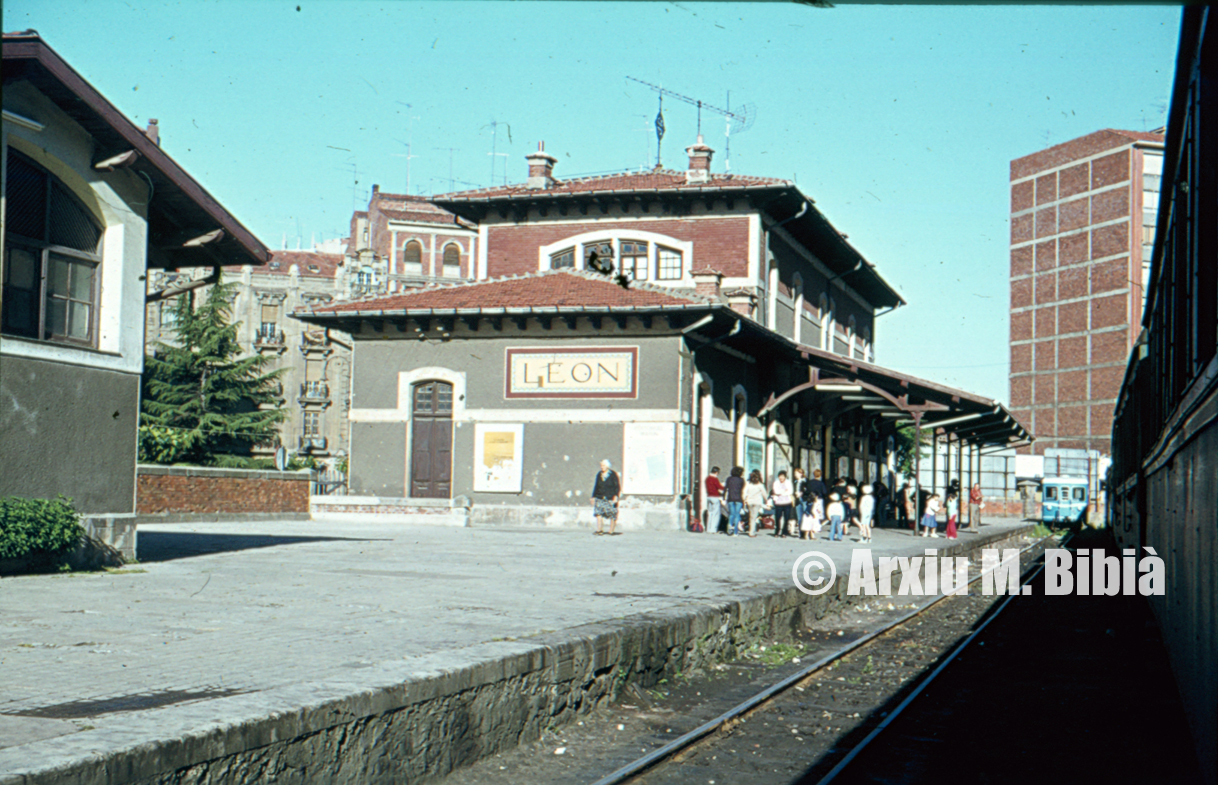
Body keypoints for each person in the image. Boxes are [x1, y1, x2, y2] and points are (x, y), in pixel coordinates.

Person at [591, 459, 621, 536]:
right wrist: (593, 496)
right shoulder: (599, 474)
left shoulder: (613, 474)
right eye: (601, 465)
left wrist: (616, 496)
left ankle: (611, 530)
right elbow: (596, 486)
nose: (602, 467)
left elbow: (617, 486)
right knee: (598, 513)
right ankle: (599, 529)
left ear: (607, 466)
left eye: (603, 465)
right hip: (600, 497)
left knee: (612, 514)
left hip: (610, 497)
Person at [743, 469, 768, 538]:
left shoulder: (748, 484)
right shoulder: (760, 485)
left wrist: (744, 500)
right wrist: (767, 501)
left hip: (749, 502)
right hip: (757, 502)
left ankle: (751, 530)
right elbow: (764, 495)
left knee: (751, 517)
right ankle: (751, 532)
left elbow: (744, 493)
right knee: (754, 517)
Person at [771, 471, 795, 538]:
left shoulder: (788, 482)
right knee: (778, 517)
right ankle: (777, 531)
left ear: (785, 476)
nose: (781, 478)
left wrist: (781, 492)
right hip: (778, 502)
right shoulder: (776, 482)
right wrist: (784, 491)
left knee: (786, 517)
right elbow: (775, 491)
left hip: (787, 502)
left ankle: (784, 532)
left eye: (782, 476)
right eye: (780, 476)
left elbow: (790, 491)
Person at [724, 466, 746, 537]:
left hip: (730, 498)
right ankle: (735, 532)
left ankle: (730, 528)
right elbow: (742, 489)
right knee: (737, 515)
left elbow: (725, 488)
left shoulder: (729, 479)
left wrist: (723, 497)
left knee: (731, 514)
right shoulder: (741, 480)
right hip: (739, 499)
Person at [704, 467, 724, 535]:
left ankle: (708, 528)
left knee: (710, 513)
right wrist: (725, 487)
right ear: (716, 472)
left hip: (709, 496)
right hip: (715, 497)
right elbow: (719, 487)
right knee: (715, 514)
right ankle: (713, 529)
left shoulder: (707, 478)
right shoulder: (714, 479)